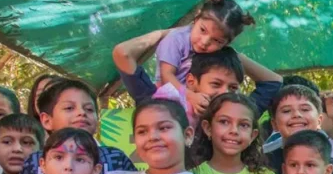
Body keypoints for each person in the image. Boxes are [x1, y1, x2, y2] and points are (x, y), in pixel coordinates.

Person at [112, 29, 284, 126]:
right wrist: (169, 34)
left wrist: (231, 55)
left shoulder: (238, 117)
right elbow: (123, 53)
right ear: (191, 82)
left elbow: (273, 82)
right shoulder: (161, 105)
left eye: (233, 87)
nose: (225, 92)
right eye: (216, 84)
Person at [14, 79, 137, 174]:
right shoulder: (34, 162)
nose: (81, 113)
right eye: (69, 108)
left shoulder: (115, 157)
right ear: (47, 120)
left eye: (89, 109)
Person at [156, 0, 255, 107]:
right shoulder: (175, 40)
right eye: (203, 30)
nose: (204, 42)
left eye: (217, 41)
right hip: (166, 98)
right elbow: (166, 76)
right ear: (196, 17)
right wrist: (191, 96)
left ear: (226, 44)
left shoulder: (218, 55)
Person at [267, 86, 333, 174]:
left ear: (319, 120)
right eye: (286, 111)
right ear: (274, 124)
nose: (296, 115)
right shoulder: (263, 163)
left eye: (305, 109)